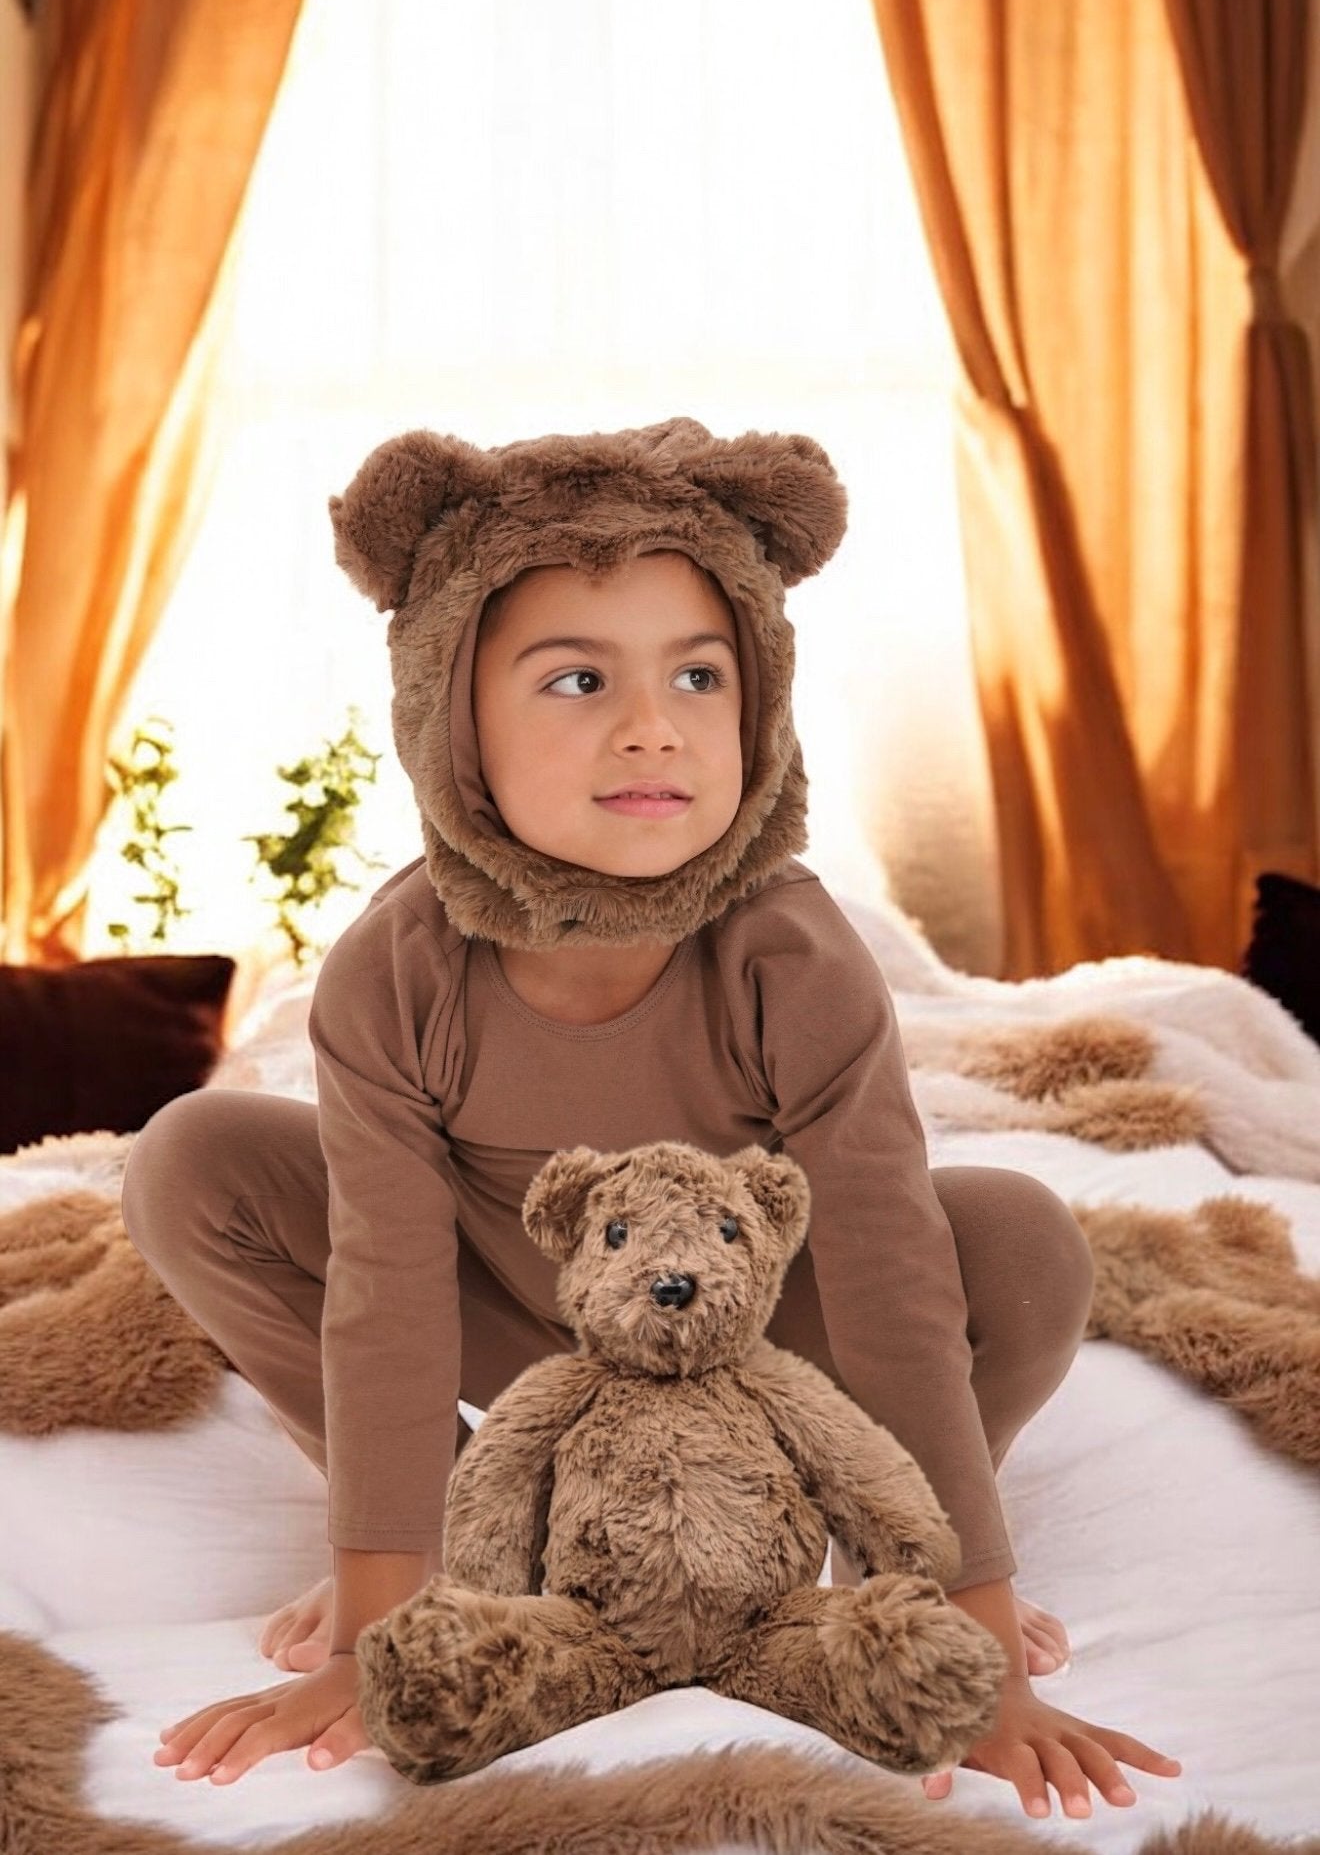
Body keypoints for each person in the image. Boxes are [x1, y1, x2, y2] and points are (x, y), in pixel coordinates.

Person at [120, 416, 1182, 1819]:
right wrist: (395, 1621)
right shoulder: (399, 967)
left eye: (699, 674)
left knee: (1020, 1244)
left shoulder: (790, 954)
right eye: (575, 680)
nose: (651, 726)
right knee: (187, 1158)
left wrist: (970, 1631)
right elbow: (382, 1297)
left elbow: (889, 1280)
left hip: (760, 1336)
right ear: (454, 722)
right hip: (511, 1302)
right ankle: (472, 1535)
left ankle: (847, 1550)